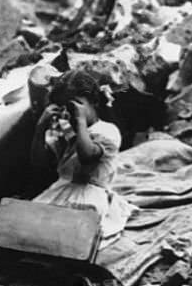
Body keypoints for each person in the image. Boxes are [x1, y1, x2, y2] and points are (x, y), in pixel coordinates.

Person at [30, 69, 133, 241]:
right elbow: (38, 163)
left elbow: (87, 156)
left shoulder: (107, 131)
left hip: (89, 196)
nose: (70, 112)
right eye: (65, 107)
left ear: (93, 101)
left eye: (74, 105)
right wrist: (40, 128)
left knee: (66, 235)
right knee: (28, 227)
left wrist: (80, 121)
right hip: (60, 191)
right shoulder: (68, 133)